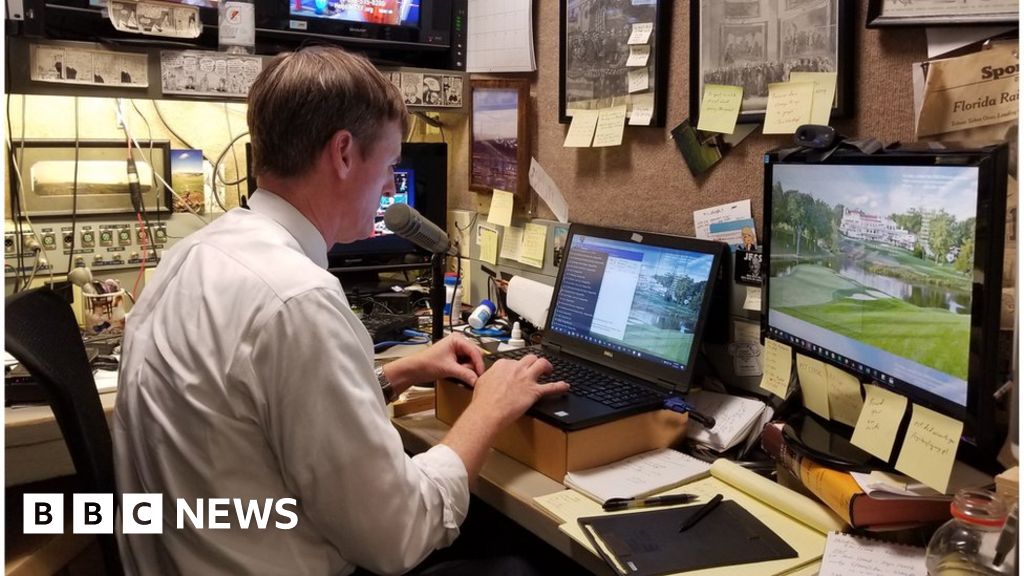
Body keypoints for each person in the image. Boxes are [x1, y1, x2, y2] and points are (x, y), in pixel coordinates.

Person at [113, 45, 569, 575]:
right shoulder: (298, 300)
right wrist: (489, 408)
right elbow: (400, 534)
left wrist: (394, 374)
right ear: (344, 154)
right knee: (527, 564)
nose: (389, 187)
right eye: (389, 165)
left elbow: (259, 413)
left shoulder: (192, 255)